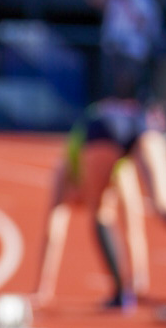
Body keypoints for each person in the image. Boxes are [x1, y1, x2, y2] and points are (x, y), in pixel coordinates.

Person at [46, 82, 166, 310]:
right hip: (141, 123)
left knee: (100, 213)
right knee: (165, 202)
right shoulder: (117, 167)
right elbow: (134, 220)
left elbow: (53, 230)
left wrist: (43, 288)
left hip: (103, 129)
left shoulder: (67, 168)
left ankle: (120, 293)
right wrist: (140, 277)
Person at [34, 114, 151, 311]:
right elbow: (52, 232)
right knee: (103, 216)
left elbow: (133, 224)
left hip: (104, 136)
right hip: (105, 133)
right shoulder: (66, 172)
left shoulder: (108, 170)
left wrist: (140, 276)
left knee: (103, 216)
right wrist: (42, 289)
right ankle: (128, 287)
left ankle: (130, 285)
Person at [86, 0, 163, 102]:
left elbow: (144, 25)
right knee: (110, 91)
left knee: (130, 91)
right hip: (112, 50)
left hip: (133, 54)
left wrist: (127, 2)